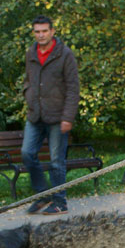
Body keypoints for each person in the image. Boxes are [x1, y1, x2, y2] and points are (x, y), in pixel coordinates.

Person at [21, 15, 80, 214]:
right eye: (37, 31)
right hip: (35, 115)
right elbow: (28, 80)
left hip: (58, 117)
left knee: (56, 161)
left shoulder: (65, 54)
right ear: (33, 33)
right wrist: (27, 94)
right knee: (27, 153)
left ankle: (60, 201)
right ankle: (42, 194)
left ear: (52, 32)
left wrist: (68, 117)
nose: (41, 35)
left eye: (44, 31)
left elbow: (73, 88)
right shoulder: (31, 53)